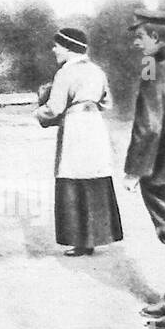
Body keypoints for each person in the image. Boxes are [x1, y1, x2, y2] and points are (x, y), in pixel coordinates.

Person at [35, 27, 122, 257]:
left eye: (57, 45)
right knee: (94, 176)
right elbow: (107, 103)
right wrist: (89, 103)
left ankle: (80, 241)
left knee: (73, 178)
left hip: (75, 128)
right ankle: (93, 237)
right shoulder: (97, 71)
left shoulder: (65, 73)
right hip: (95, 127)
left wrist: (39, 113)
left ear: (68, 47)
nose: (54, 50)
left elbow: (54, 108)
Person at [124, 9, 165, 329]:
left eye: (140, 36)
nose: (136, 44)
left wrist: (135, 170)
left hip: (162, 161)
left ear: (156, 38)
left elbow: (149, 123)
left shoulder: (151, 65)